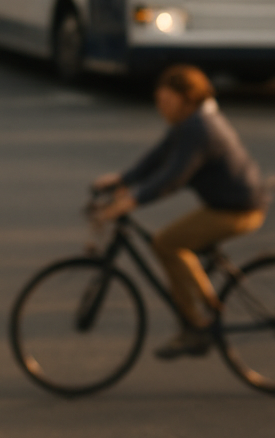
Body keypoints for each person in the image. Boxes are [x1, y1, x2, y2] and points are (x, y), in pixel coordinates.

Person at [93, 64, 267, 360]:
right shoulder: (191, 121)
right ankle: (201, 312)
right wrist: (123, 179)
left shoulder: (200, 129)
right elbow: (157, 157)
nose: (161, 107)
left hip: (239, 210)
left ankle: (199, 321)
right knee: (171, 242)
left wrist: (131, 199)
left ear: (187, 98)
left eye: (166, 101)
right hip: (226, 203)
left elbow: (173, 177)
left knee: (167, 242)